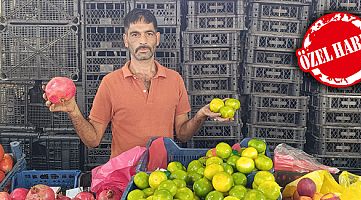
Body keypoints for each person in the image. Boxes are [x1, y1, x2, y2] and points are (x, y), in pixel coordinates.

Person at [43, 8, 230, 159]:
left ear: (157, 38)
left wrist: (200, 115)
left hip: (164, 178)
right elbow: (93, 140)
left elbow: (182, 134)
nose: (142, 41)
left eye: (148, 33)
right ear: (126, 40)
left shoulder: (175, 79)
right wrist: (73, 111)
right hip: (124, 176)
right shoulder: (110, 83)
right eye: (135, 34)